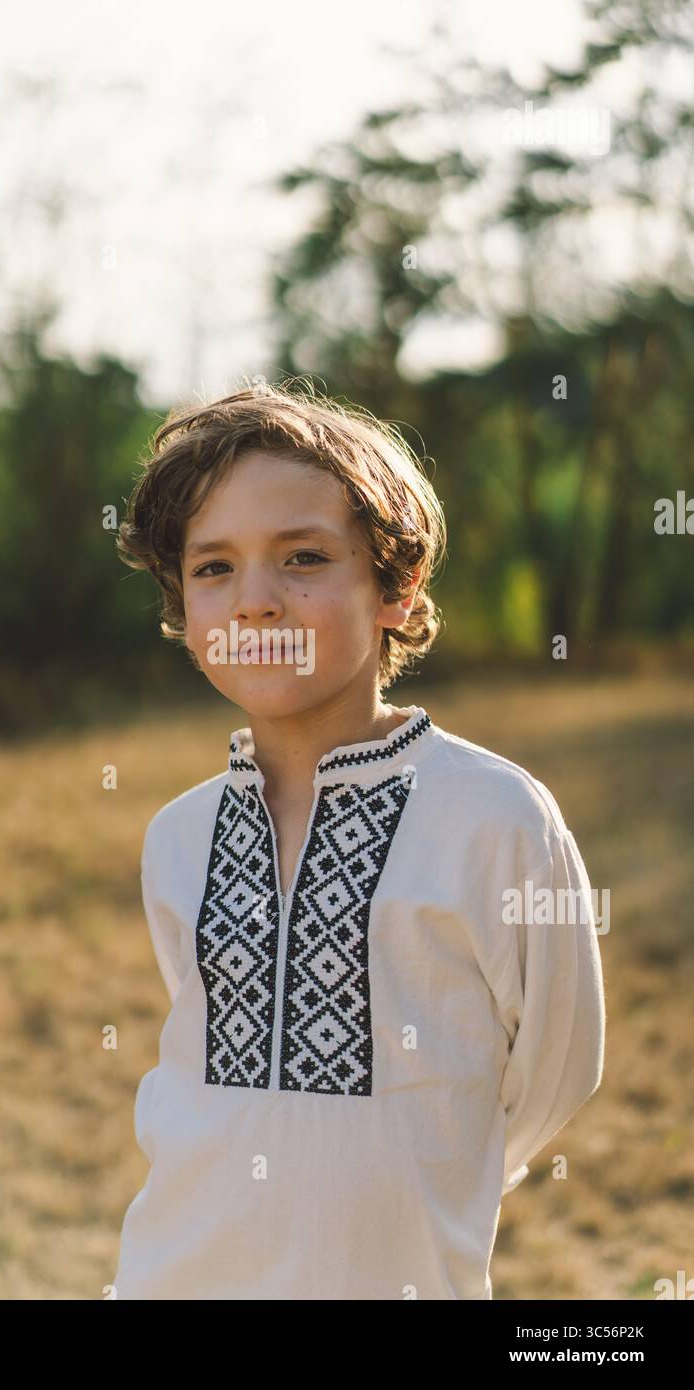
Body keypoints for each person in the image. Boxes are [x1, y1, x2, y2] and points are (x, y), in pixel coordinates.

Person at [112, 378, 605, 1300]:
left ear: (395, 583)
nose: (255, 603)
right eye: (213, 567)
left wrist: (427, 1170)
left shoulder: (496, 819)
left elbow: (556, 1073)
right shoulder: (178, 838)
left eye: (302, 557)